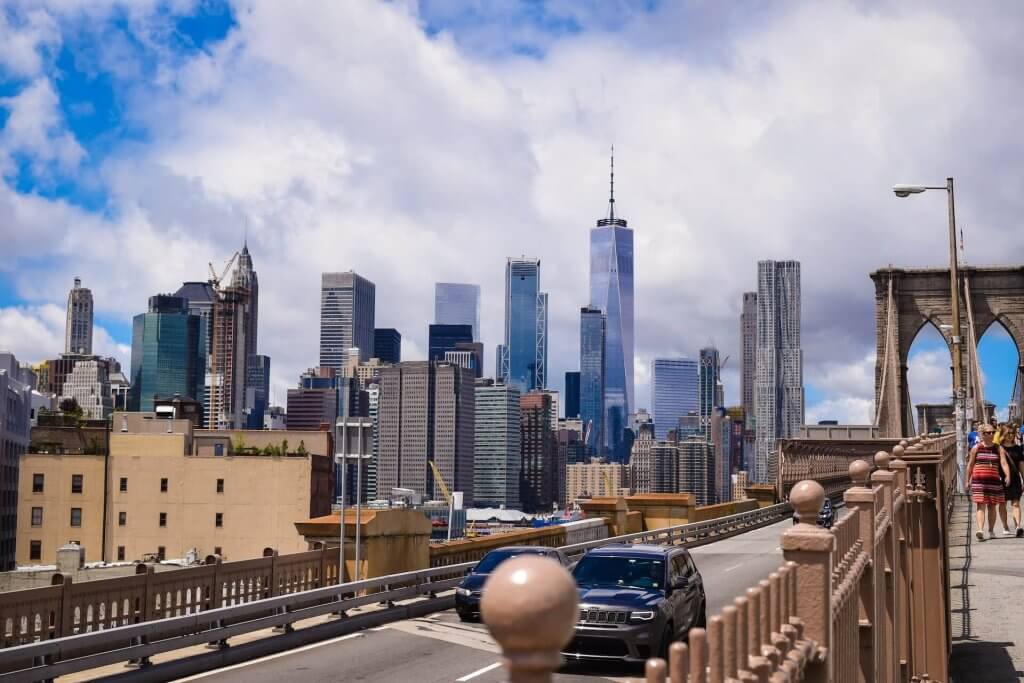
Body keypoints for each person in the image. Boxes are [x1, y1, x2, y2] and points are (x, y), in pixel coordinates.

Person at [967, 423, 1012, 540]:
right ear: (982, 434)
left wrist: (1008, 475)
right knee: (980, 505)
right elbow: (970, 465)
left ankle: (991, 530)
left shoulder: (998, 448)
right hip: (979, 481)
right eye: (988, 433)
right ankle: (980, 530)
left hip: (994, 481)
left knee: (992, 506)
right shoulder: (976, 448)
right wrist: (967, 480)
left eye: (993, 432)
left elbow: (1003, 463)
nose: (991, 434)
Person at [1004, 424, 1024, 537]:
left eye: (1012, 433)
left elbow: (1021, 465)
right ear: (1003, 434)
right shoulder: (999, 448)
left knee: (1016, 503)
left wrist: (1023, 479)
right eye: (1008, 433)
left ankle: (1018, 526)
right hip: (1001, 479)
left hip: (1015, 478)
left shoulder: (1018, 448)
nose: (1010, 435)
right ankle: (1005, 526)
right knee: (1002, 504)